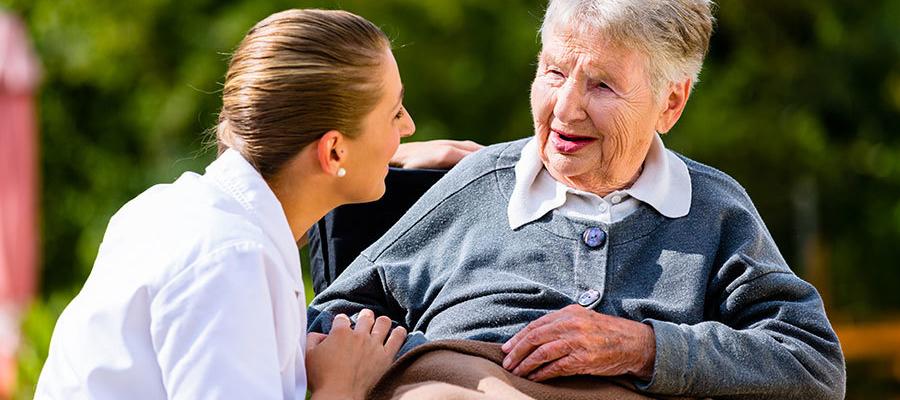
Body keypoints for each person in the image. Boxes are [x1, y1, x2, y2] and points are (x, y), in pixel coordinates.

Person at [309, 0, 846, 398]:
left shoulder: (713, 210)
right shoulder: (477, 185)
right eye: (554, 72)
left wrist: (643, 347)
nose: (565, 110)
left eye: (602, 86)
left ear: (671, 103)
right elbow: (330, 320)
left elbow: (814, 364)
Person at [34, 9, 479, 400]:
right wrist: (343, 385)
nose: (410, 126)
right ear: (334, 152)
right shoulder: (228, 262)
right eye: (394, 112)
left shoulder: (172, 208)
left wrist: (394, 156)